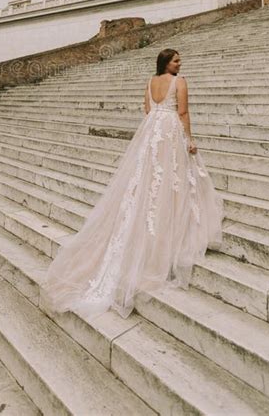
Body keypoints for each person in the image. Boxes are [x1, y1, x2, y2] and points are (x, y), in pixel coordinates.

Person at [40, 48, 224, 321]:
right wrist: (189, 139)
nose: (179, 63)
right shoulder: (180, 81)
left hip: (152, 134)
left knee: (149, 181)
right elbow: (183, 113)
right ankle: (171, 229)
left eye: (179, 60)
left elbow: (148, 110)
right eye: (176, 60)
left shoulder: (150, 82)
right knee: (174, 181)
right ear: (167, 63)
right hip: (170, 132)